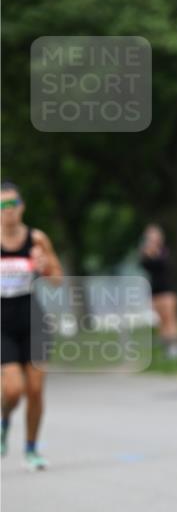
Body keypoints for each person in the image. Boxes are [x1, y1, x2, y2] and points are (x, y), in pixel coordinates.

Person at [1, 181, 63, 470]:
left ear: (22, 206)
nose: (8, 211)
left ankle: (31, 449)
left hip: (32, 317)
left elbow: (57, 279)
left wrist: (44, 265)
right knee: (13, 390)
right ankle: (4, 420)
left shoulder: (37, 239)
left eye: (12, 204)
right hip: (2, 322)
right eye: (2, 206)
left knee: (36, 389)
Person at [139, 224, 177, 359]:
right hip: (155, 291)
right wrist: (147, 253)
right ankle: (167, 348)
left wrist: (153, 252)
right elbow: (144, 265)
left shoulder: (165, 251)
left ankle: (175, 347)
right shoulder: (146, 253)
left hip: (168, 289)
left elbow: (163, 264)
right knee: (161, 320)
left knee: (171, 318)